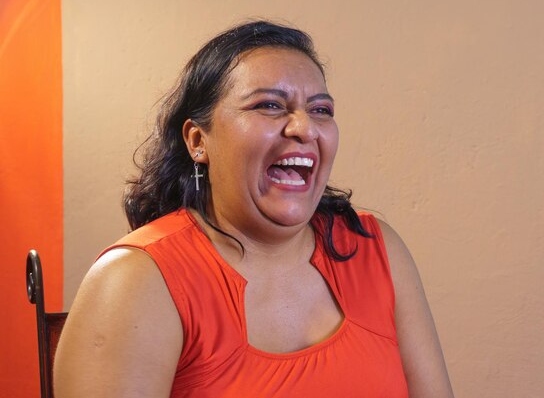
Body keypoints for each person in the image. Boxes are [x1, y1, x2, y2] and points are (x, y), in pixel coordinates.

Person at [54, 20, 454, 398]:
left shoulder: (377, 249)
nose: (304, 127)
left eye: (320, 110)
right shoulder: (134, 280)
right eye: (269, 105)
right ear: (198, 140)